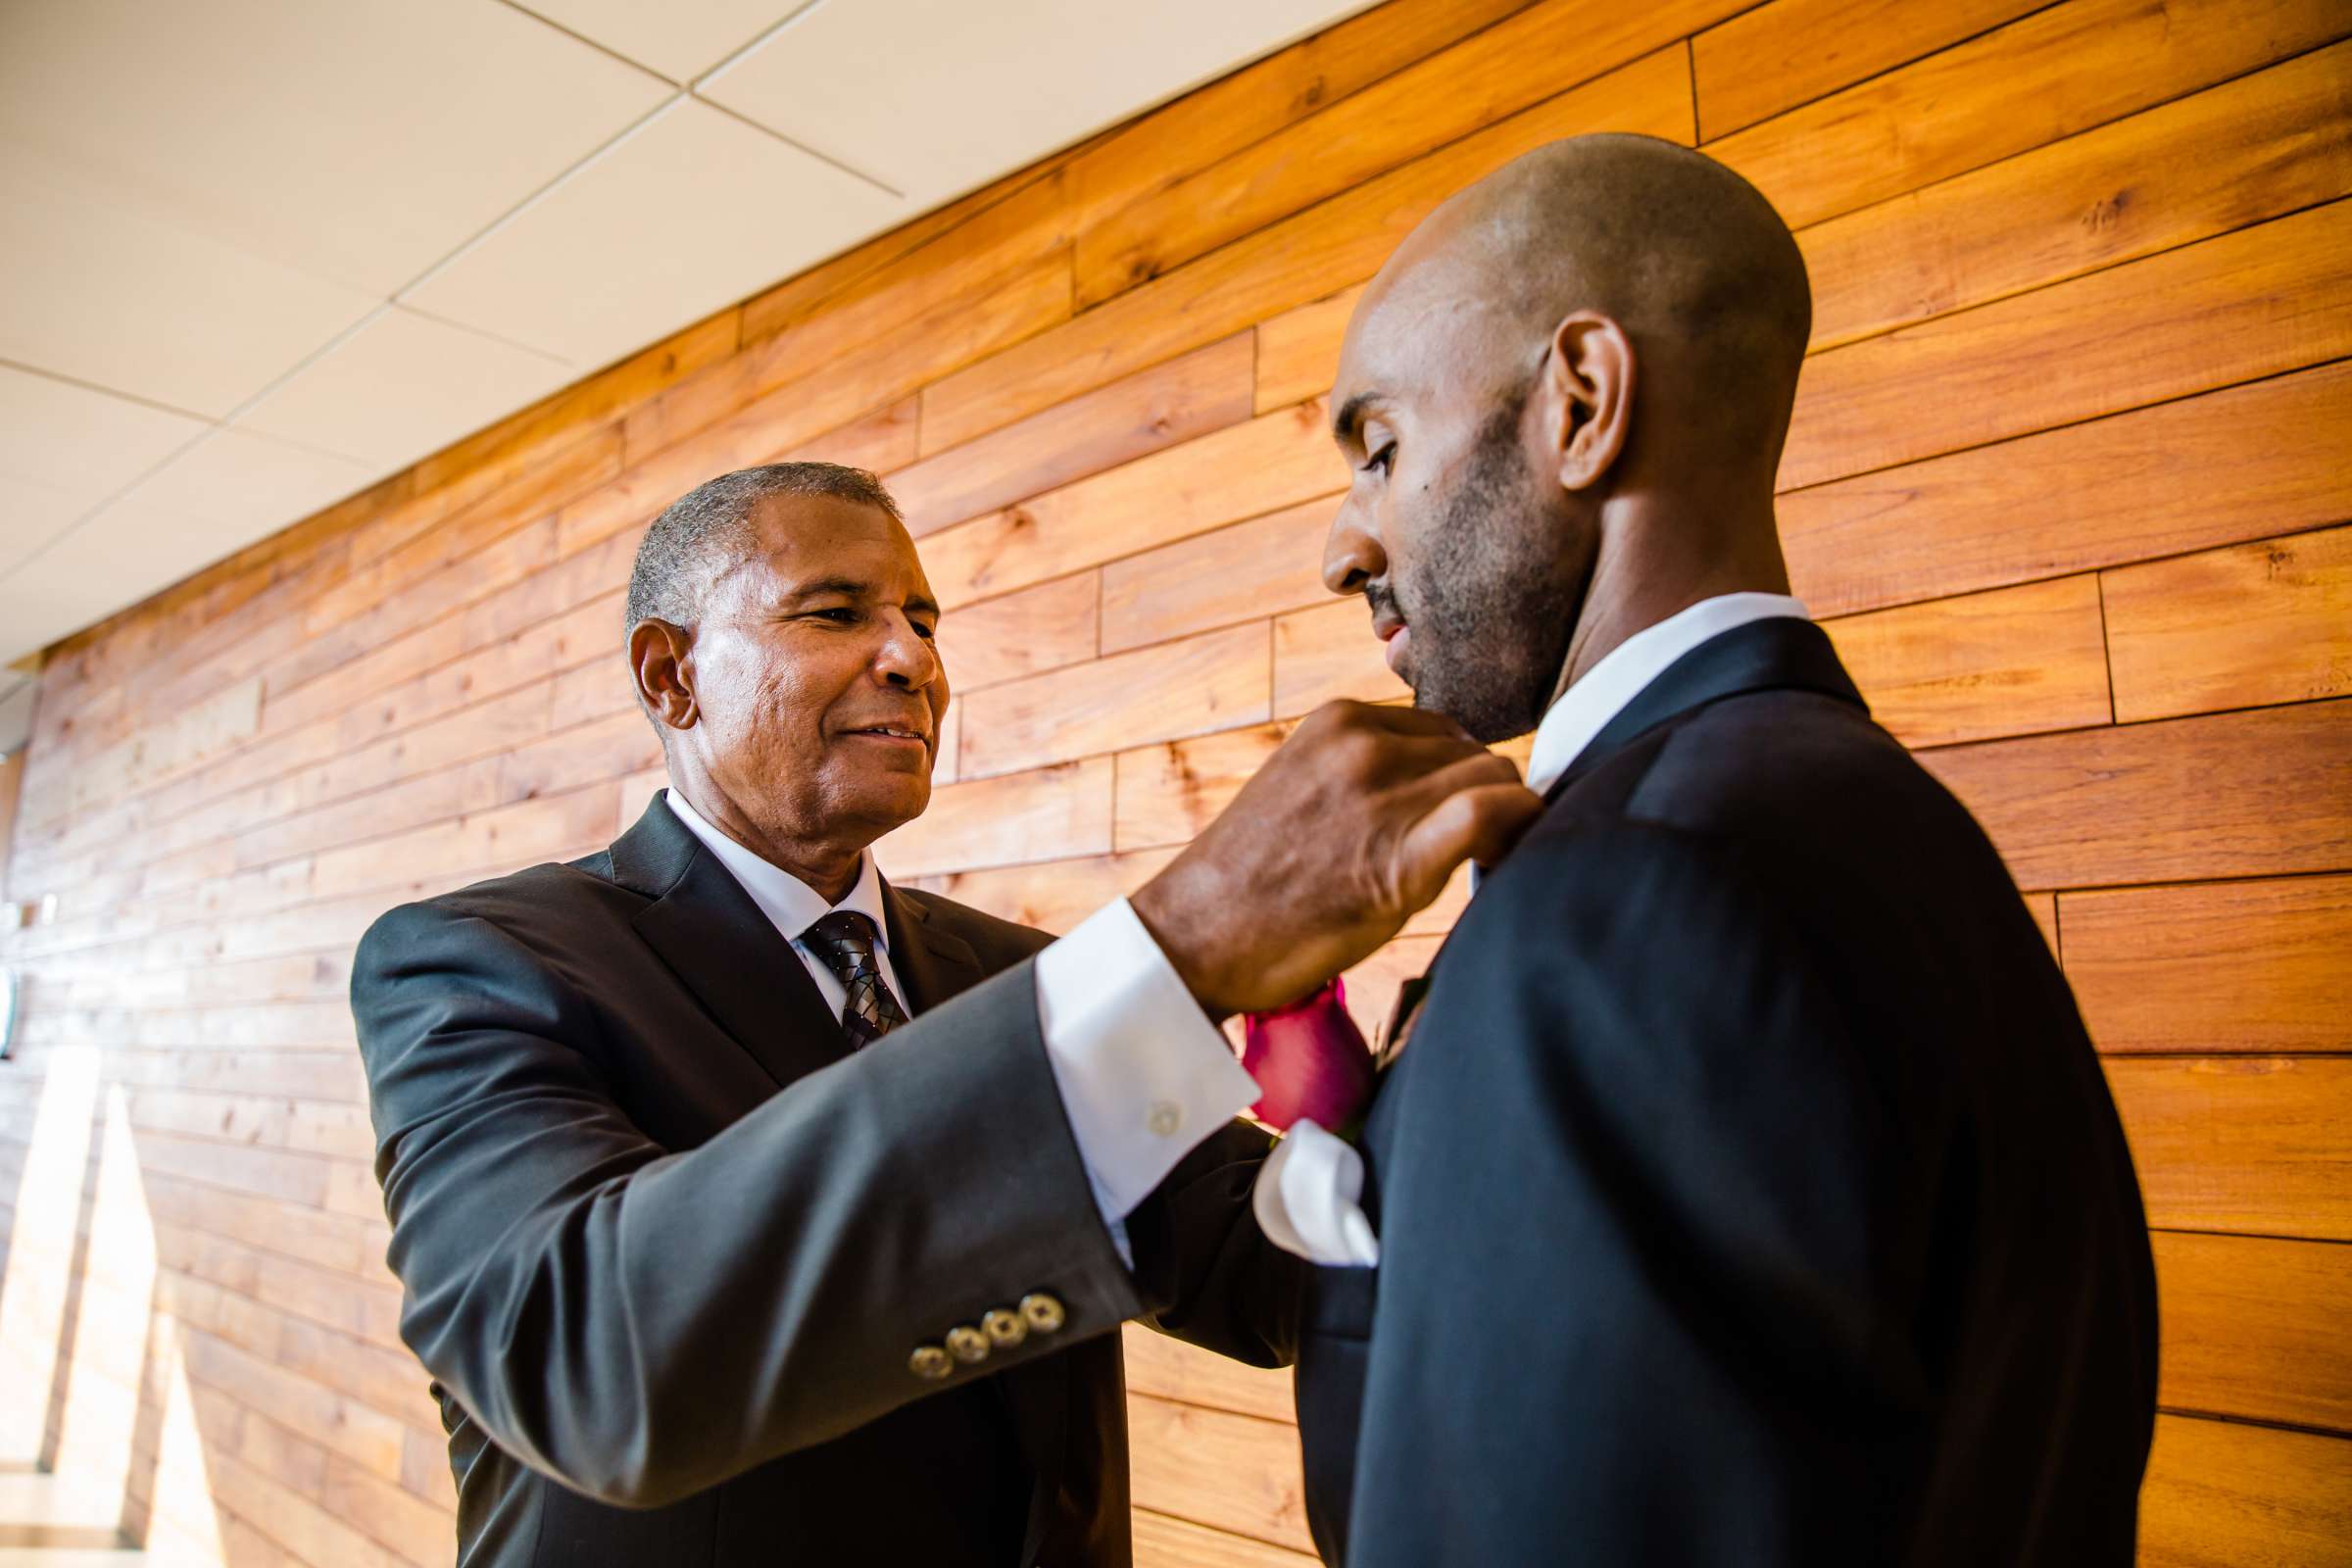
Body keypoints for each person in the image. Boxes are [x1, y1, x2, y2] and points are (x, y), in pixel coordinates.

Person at [349, 463, 1538, 1567]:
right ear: (672, 674)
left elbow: (1272, 1262)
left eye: (923, 620)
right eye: (835, 612)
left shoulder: (1014, 975)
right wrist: (1179, 946)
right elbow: (581, 1354)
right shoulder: (477, 965)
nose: (912, 659)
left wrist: (1481, 1033)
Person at [1271, 133, 2158, 1565]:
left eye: (1379, 446)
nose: (1340, 548)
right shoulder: (1857, 814)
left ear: (1581, 403)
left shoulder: (1634, 895)